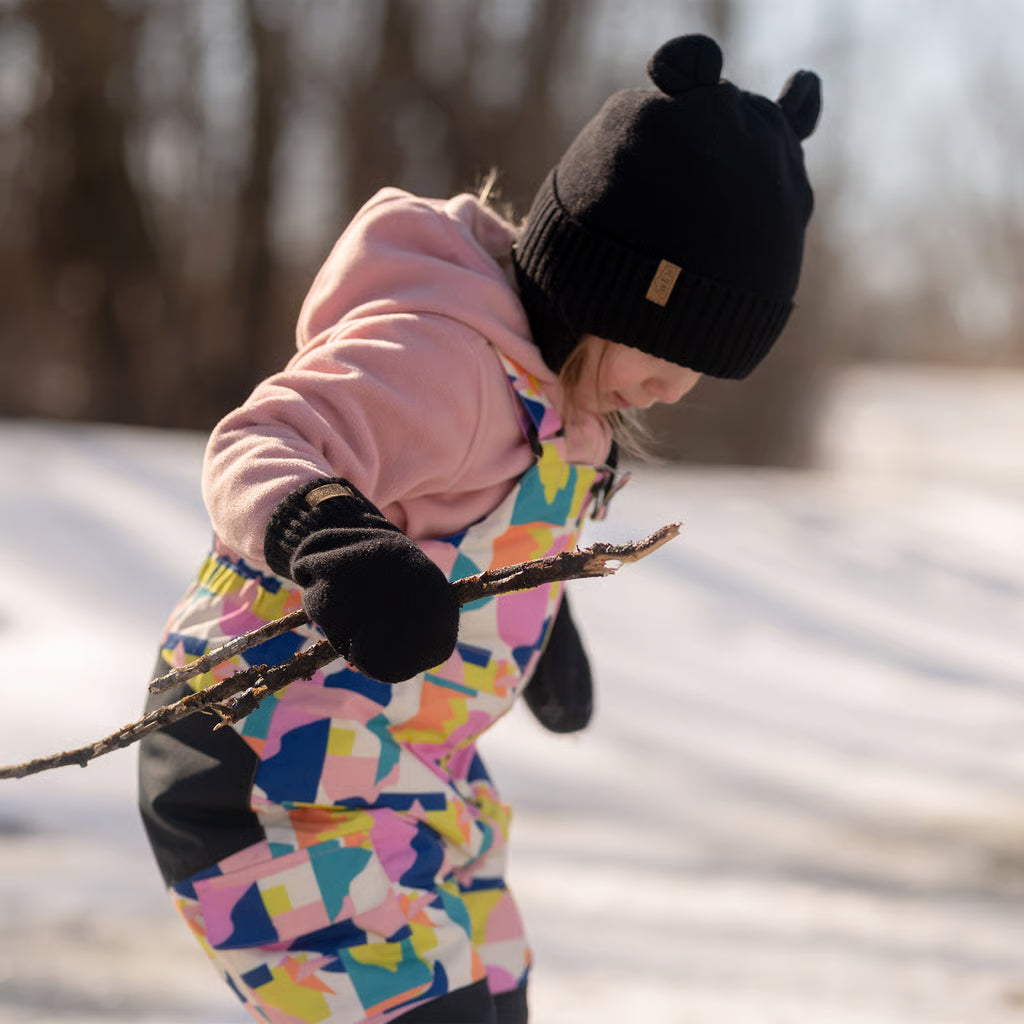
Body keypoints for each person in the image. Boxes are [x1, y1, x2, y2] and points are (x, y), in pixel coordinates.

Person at [138, 32, 821, 1024]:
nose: (675, 389)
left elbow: (471, 524)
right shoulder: (445, 360)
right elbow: (260, 440)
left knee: (494, 992)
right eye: (668, 351)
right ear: (601, 283)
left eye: (703, 368)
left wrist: (537, 630)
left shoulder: (567, 401)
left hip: (401, 770)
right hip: (268, 759)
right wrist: (335, 543)